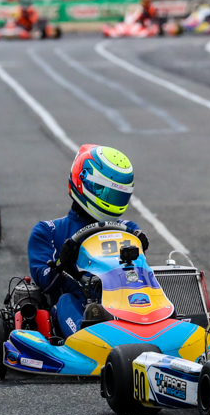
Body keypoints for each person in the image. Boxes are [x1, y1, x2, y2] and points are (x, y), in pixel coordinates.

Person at [28, 144, 149, 338]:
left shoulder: (127, 228)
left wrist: (140, 242)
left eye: (118, 196)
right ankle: (89, 339)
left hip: (126, 302)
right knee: (67, 300)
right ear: (83, 182)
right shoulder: (47, 232)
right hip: (76, 307)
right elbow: (44, 283)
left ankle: (171, 324)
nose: (112, 200)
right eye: (105, 192)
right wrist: (63, 264)